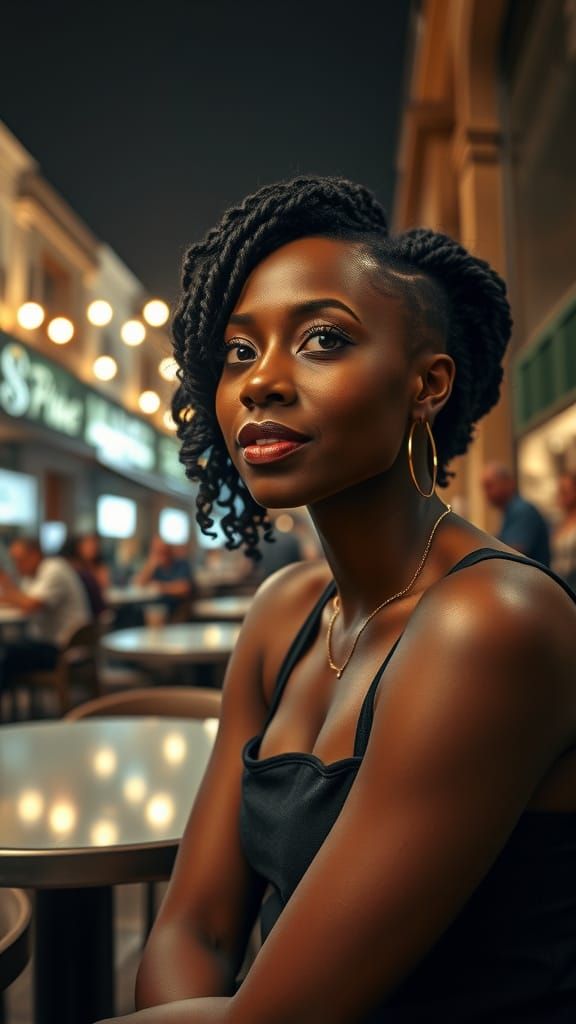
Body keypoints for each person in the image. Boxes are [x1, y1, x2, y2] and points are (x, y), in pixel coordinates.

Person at [100, 177, 576, 1024]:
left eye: (322, 339)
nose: (261, 383)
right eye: (240, 352)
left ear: (427, 385)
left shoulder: (494, 621)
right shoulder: (284, 612)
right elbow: (195, 932)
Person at [0, 536, 91, 694]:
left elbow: (30, 605)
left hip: (64, 649)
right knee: (9, 652)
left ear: (34, 554)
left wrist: (5, 582)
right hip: (52, 643)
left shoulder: (54, 569)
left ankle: (9, 715)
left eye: (19, 560)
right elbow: (21, 600)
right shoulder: (33, 575)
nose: (16, 566)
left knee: (6, 655)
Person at [481, 462, 551, 565]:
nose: (486, 493)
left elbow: (512, 555)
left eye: (489, 486)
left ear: (508, 483)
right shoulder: (510, 512)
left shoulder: (522, 510)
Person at [133, 535, 194, 618]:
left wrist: (161, 587)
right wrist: (151, 565)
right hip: (153, 607)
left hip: (176, 608)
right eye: (156, 551)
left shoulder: (181, 564)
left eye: (163, 550)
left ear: (169, 550)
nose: (161, 554)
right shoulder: (155, 567)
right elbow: (139, 584)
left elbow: (184, 588)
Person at [551, 471, 576, 587]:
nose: (560, 495)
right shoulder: (559, 522)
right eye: (559, 491)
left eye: (564, 491)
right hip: (561, 585)